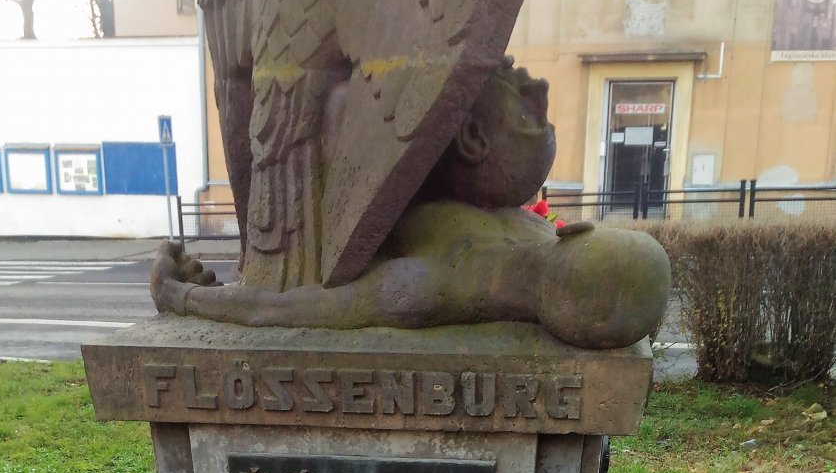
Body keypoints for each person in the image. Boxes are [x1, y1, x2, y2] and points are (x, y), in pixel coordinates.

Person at [151, 62, 670, 350]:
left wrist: (181, 298)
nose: (538, 91)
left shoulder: (451, 275)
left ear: (578, 236)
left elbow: (283, 310)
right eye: (524, 102)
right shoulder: (517, 233)